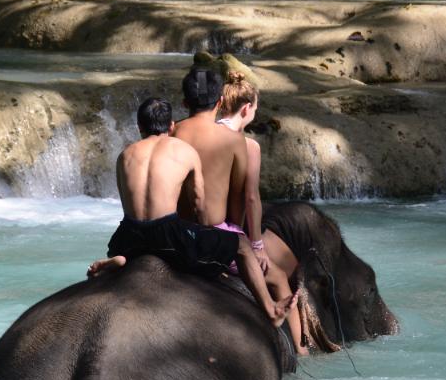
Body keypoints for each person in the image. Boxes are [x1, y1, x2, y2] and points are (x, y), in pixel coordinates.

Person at [173, 66, 293, 326]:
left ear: (184, 102)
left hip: (175, 233)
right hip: (214, 237)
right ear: (219, 101)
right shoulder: (234, 141)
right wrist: (249, 242)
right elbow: (240, 197)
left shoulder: (172, 132)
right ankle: (278, 317)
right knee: (276, 275)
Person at [87, 97, 244, 284]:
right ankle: (271, 307)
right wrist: (204, 234)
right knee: (243, 246)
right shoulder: (185, 150)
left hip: (127, 236)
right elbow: (198, 203)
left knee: (135, 236)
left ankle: (123, 258)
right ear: (171, 126)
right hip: (166, 235)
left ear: (139, 127)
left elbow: (126, 204)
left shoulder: (125, 155)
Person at [215, 69, 307, 354]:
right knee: (279, 278)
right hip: (226, 237)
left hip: (186, 229)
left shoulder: (197, 133)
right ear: (246, 108)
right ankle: (302, 352)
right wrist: (257, 246)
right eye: (255, 108)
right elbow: (251, 199)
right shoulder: (247, 146)